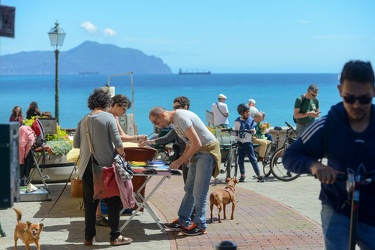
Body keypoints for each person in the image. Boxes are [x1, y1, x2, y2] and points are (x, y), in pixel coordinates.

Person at [282, 60, 375, 249]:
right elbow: (290, 156)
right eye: (349, 98)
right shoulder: (327, 125)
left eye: (364, 99)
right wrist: (315, 166)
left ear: (373, 90)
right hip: (336, 208)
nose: (356, 105)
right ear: (340, 90)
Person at [73, 89, 133, 246]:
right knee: (113, 201)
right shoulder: (108, 117)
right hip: (104, 166)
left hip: (86, 165)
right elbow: (118, 143)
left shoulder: (84, 119)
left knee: (89, 202)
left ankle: (88, 237)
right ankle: (115, 237)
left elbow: (76, 144)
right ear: (106, 103)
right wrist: (122, 154)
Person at [149, 106, 221, 236]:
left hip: (206, 152)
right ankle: (183, 220)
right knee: (189, 189)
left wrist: (180, 160)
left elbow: (197, 143)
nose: (158, 126)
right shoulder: (175, 121)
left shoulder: (181, 118)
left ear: (163, 115)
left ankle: (200, 225)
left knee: (199, 191)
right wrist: (187, 156)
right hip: (197, 153)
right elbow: (189, 141)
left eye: (157, 122)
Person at [95, 94, 148, 227]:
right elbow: (118, 137)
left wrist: (137, 137)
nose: (124, 112)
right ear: (116, 105)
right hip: (101, 155)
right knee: (100, 186)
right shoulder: (107, 116)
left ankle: (101, 216)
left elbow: (122, 136)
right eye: (123, 109)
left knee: (104, 186)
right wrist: (136, 138)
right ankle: (99, 217)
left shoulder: (114, 117)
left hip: (108, 154)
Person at [141, 96, 190, 182]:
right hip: (183, 155)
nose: (175, 109)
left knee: (193, 187)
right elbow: (166, 138)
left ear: (186, 107)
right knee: (188, 185)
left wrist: (183, 158)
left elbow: (190, 142)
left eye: (178, 107)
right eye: (174, 107)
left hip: (189, 156)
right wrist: (149, 142)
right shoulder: (177, 122)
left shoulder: (185, 120)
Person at [234, 104, 264, 183]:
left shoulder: (251, 120)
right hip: (240, 142)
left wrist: (253, 131)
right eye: (247, 112)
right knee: (240, 159)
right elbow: (235, 132)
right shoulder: (237, 121)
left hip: (248, 143)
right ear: (242, 113)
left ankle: (259, 174)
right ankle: (242, 174)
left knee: (253, 159)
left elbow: (253, 129)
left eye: (249, 111)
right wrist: (235, 139)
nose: (249, 113)